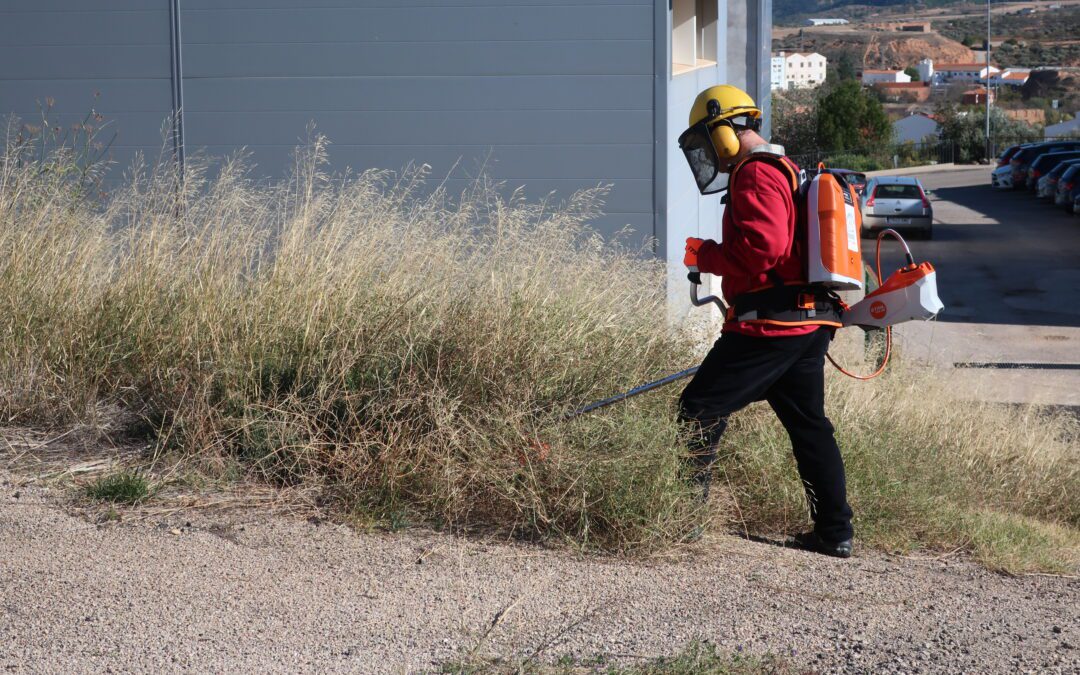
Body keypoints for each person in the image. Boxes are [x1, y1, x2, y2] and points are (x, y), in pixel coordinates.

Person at [676, 85, 854, 558]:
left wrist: (705, 255)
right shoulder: (783, 167)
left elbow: (763, 249)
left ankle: (680, 521)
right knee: (810, 427)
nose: (708, 153)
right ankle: (835, 532)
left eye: (706, 140)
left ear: (724, 129)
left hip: (770, 326)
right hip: (805, 323)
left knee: (697, 409)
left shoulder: (754, 173)